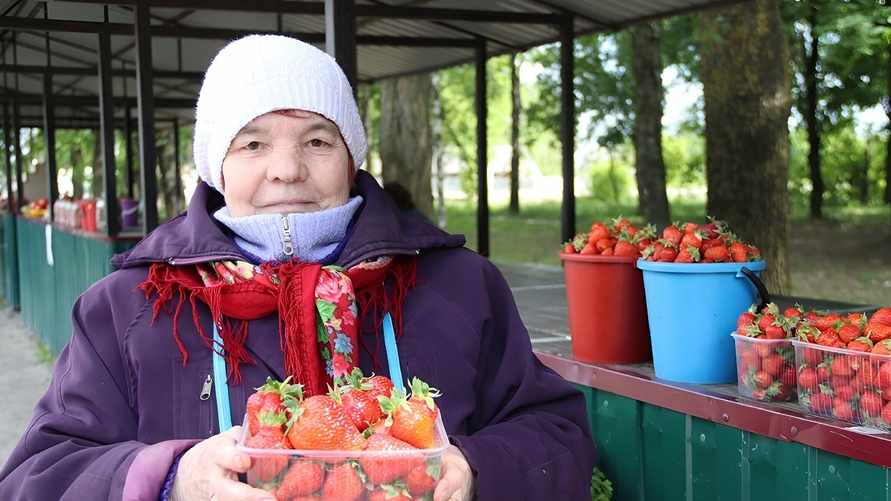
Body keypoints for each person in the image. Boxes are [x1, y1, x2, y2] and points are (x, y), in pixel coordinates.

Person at [0, 35, 596, 501]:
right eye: (253, 144)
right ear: (215, 166)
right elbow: (38, 476)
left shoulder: (462, 286)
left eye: (317, 140)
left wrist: (475, 474)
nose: (286, 170)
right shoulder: (127, 307)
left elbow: (557, 434)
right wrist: (172, 478)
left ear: (351, 156)